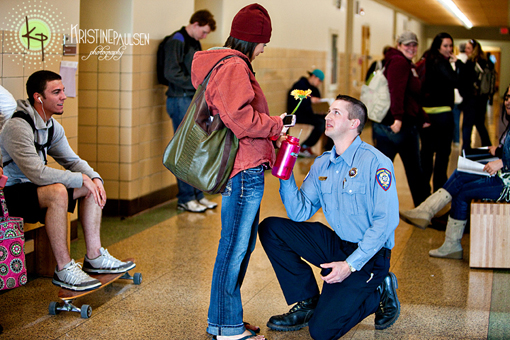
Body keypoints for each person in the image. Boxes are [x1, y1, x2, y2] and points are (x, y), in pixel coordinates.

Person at [259, 95, 400, 340]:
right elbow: (299, 212)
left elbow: (385, 223)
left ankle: (379, 291)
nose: (327, 116)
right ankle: (309, 301)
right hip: (338, 243)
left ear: (354, 123)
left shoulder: (376, 163)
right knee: (271, 229)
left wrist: (349, 265)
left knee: (322, 331)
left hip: (369, 255)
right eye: (328, 112)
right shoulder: (323, 164)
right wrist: (286, 169)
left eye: (336, 112)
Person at [191, 4, 285, 340]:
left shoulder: (229, 64)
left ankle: (223, 320)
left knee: (239, 247)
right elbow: (241, 120)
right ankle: (228, 327)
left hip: (245, 166)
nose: (264, 49)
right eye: (263, 42)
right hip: (243, 169)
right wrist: (276, 124)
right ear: (250, 40)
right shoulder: (234, 66)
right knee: (233, 247)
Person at [0, 70, 135, 291]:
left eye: (63, 90)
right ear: (38, 97)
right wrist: (78, 177)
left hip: (32, 189)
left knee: (89, 187)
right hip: (10, 195)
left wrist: (93, 178)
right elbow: (36, 173)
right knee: (59, 191)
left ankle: (95, 256)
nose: (64, 96)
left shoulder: (51, 126)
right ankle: (63, 269)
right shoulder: (18, 126)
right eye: (56, 92)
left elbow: (73, 160)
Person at [400, 85, 510, 259]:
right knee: (461, 172)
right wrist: (498, 151)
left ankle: (438, 226)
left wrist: (502, 162)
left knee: (462, 190)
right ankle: (429, 214)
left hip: (506, 184)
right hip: (502, 174)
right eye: (507, 97)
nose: (508, 101)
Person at [163, 9, 218, 213]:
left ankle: (197, 195)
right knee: (184, 150)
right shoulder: (177, 40)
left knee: (196, 148)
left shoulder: (194, 42)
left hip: (190, 99)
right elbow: (171, 73)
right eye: (203, 32)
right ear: (195, 24)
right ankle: (185, 197)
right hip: (179, 100)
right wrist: (196, 84)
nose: (205, 36)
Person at [371, 31, 429, 207]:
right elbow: (396, 92)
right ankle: (424, 209)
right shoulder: (399, 62)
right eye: (407, 45)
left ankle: (373, 207)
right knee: (414, 172)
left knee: (382, 170)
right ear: (399, 45)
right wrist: (398, 118)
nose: (411, 48)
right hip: (398, 127)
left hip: (388, 125)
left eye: (414, 45)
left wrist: (422, 117)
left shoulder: (398, 61)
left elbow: (410, 97)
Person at [419, 32, 463, 193]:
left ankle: (423, 193)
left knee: (427, 153)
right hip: (442, 115)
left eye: (451, 46)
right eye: (446, 46)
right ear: (438, 46)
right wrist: (456, 64)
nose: (449, 49)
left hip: (425, 115)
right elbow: (456, 81)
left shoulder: (427, 59)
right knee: (442, 155)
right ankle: (439, 192)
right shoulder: (441, 62)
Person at [459, 39, 492, 150]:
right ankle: (489, 147)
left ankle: (466, 150)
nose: (466, 51)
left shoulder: (471, 63)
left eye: (468, 48)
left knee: (467, 126)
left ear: (474, 50)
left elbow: (464, 79)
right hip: (481, 100)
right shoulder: (485, 62)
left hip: (471, 101)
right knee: (480, 125)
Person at [287, 69, 325, 157]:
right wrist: (310, 100)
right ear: (313, 76)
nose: (319, 83)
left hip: (311, 113)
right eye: (318, 81)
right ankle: (304, 146)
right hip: (299, 114)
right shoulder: (300, 85)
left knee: (329, 120)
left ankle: (328, 147)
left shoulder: (315, 90)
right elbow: (295, 102)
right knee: (321, 123)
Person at [452, 43, 468, 145]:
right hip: (467, 96)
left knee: (456, 119)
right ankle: (466, 143)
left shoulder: (455, 60)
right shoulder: (470, 61)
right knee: (466, 122)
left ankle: (457, 140)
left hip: (456, 96)